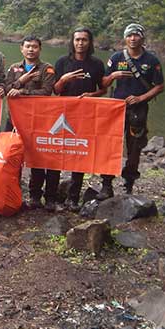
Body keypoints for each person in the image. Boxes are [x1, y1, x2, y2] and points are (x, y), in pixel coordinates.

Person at [46, 27, 107, 211]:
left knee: (79, 154)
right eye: (77, 39)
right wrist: (63, 79)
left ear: (90, 42)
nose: (80, 43)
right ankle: (51, 197)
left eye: (84, 40)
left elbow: (103, 89)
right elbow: (55, 90)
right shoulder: (62, 62)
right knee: (56, 154)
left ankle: (73, 198)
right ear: (72, 42)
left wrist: (92, 95)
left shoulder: (96, 64)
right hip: (63, 114)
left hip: (86, 114)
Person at [102, 23, 165, 196]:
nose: (132, 38)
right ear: (125, 38)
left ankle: (129, 183)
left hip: (138, 110)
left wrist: (141, 98)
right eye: (129, 35)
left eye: (136, 35)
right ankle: (106, 184)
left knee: (135, 147)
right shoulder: (116, 58)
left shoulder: (151, 60)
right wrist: (113, 76)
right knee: (110, 145)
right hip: (115, 108)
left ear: (142, 38)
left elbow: (159, 86)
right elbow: (103, 83)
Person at [4, 36, 57, 210]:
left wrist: (22, 91)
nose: (31, 50)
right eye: (28, 46)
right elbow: (6, 88)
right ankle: (12, 191)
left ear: (40, 49)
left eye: (35, 47)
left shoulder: (47, 69)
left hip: (38, 120)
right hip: (14, 119)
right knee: (11, 155)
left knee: (38, 157)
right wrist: (22, 81)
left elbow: (47, 91)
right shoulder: (14, 68)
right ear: (21, 48)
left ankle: (35, 195)